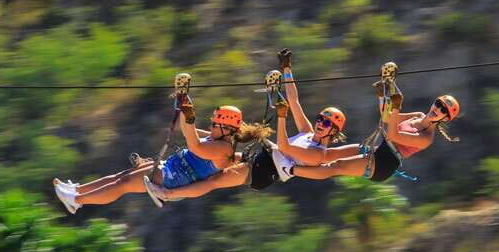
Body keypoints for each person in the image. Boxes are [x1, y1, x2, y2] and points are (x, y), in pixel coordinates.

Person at [143, 49, 358, 203]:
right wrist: (287, 70)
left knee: (213, 181)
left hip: (262, 171)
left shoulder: (318, 155)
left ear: (334, 131)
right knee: (216, 144)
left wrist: (281, 117)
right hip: (260, 159)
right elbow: (294, 101)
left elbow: (284, 147)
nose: (320, 123)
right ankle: (160, 159)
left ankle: (168, 194)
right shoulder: (308, 132)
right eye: (321, 118)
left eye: (327, 123)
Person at [52, 97, 269, 213]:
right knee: (120, 177)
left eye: (215, 124)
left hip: (174, 178)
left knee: (123, 184)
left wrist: (189, 117)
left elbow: (194, 146)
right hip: (171, 168)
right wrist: (185, 106)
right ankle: (77, 190)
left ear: (227, 129)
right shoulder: (216, 138)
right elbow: (188, 131)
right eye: (212, 123)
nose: (211, 125)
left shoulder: (224, 149)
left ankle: (77, 200)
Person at [292, 72, 460, 182]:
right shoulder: (417, 115)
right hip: (378, 150)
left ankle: (291, 170)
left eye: (443, 110)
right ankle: (295, 158)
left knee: (337, 165)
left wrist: (395, 107)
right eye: (438, 104)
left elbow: (393, 135)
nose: (437, 109)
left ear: (445, 118)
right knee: (329, 154)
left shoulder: (426, 139)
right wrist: (382, 96)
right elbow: (387, 118)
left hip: (383, 164)